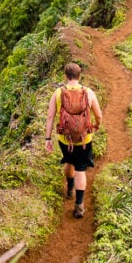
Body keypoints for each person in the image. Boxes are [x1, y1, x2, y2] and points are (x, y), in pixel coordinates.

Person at [45, 62, 103, 217]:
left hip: (65, 139)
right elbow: (99, 115)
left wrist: (47, 138)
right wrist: (96, 125)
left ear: (66, 75)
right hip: (84, 139)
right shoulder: (88, 92)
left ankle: (70, 187)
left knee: (69, 161)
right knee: (81, 169)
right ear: (79, 76)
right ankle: (79, 206)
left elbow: (50, 117)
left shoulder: (58, 93)